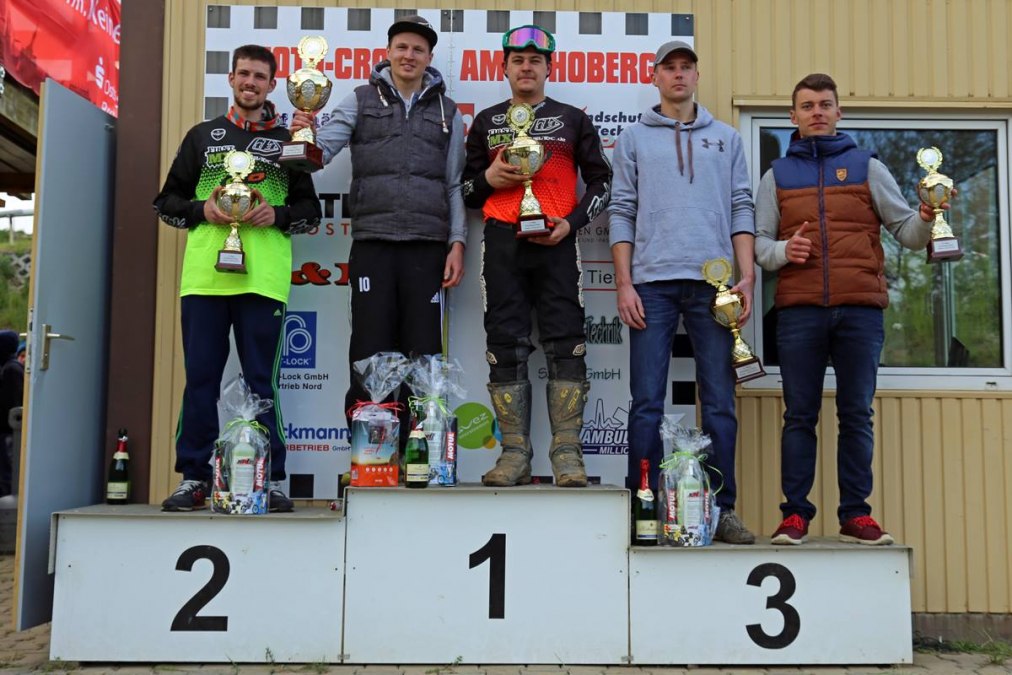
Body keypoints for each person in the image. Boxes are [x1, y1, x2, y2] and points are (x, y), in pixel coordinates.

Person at [755, 73, 943, 545]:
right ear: (792, 117)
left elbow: (906, 232)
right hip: (799, 312)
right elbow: (758, 244)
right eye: (807, 106)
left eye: (825, 104)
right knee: (799, 415)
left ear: (839, 112)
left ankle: (855, 515)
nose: (816, 112)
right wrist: (782, 254)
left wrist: (926, 216)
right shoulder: (776, 176)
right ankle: (794, 515)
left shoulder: (868, 167)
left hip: (860, 311)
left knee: (856, 414)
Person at [153, 45, 321, 512]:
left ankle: (272, 478)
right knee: (200, 379)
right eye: (244, 74)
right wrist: (200, 210)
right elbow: (165, 202)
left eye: (260, 76)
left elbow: (312, 212)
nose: (251, 82)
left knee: (262, 382)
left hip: (263, 280)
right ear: (230, 79)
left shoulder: (290, 141)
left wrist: (278, 214)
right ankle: (194, 476)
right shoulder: (202, 137)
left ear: (272, 85)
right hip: (205, 279)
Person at [290, 15, 465, 447]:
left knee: (424, 352)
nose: (409, 56)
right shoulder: (360, 99)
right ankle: (372, 454)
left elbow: (455, 182)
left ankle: (421, 453)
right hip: (373, 244)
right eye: (402, 47)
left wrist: (457, 241)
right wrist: (303, 132)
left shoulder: (448, 111)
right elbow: (320, 154)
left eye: (418, 49)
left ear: (429, 57)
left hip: (427, 246)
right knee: (371, 349)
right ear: (389, 52)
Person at [607, 41, 756, 544]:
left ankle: (724, 509)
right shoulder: (632, 139)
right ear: (654, 77)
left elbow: (741, 207)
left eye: (685, 67)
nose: (677, 75)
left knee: (718, 402)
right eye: (668, 68)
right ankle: (642, 506)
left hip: (714, 287)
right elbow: (621, 210)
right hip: (651, 283)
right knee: (646, 401)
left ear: (696, 75)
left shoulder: (728, 139)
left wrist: (747, 275)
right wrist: (624, 283)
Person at [462, 25, 612, 487]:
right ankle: (514, 454)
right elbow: (466, 191)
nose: (526, 67)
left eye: (535, 60)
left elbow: (602, 183)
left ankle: (567, 455)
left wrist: (572, 224)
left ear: (550, 67)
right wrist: (491, 179)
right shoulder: (487, 122)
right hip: (503, 242)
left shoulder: (572, 119)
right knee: (504, 345)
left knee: (567, 343)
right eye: (517, 60)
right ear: (504, 67)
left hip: (558, 240)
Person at [0, 330, 23, 496]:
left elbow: (9, 403)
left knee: (5, 473)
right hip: (6, 430)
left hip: (7, 432)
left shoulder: (11, 369)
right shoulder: (9, 367)